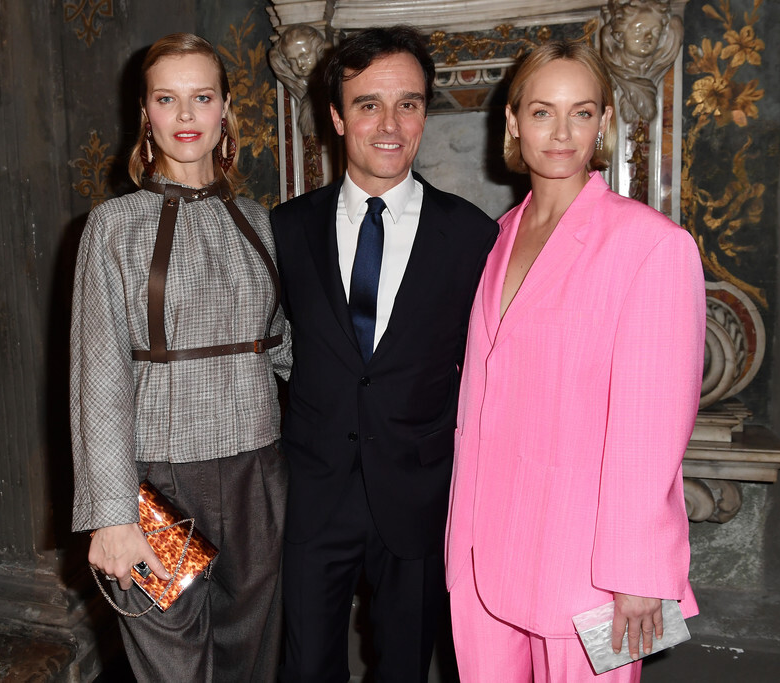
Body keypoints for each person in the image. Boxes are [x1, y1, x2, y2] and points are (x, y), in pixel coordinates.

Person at [445, 40, 704, 682]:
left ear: (604, 122)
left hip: (589, 572)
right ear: (513, 122)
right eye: (542, 112)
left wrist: (639, 575)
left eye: (581, 112)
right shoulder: (495, 238)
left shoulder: (652, 245)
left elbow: (651, 434)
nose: (561, 132)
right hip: (482, 556)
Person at [270, 25, 499, 683]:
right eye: (369, 104)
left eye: (409, 104)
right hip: (314, 491)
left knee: (405, 669)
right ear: (337, 117)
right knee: (305, 669)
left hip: (420, 495)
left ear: (425, 113)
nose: (390, 124)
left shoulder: (471, 235)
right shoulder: (285, 229)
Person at [70, 33, 291, 683]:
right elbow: (98, 375)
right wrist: (111, 514)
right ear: (145, 112)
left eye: (203, 97)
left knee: (252, 662)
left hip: (258, 472)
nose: (187, 115)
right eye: (167, 99)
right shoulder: (112, 226)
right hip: (156, 482)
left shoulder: (258, 220)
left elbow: (283, 345)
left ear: (226, 109)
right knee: (172, 666)